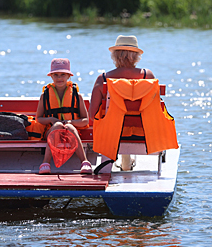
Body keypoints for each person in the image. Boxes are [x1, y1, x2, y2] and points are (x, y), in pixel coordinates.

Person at [89, 35, 155, 171]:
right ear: (136, 56)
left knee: (111, 120)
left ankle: (121, 162)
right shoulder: (147, 76)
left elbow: (92, 115)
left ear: (115, 55)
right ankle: (127, 162)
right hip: (143, 131)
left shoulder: (103, 79)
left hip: (110, 133)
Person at [36, 58, 92, 175]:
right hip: (52, 131)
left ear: (68, 76)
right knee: (57, 125)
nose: (59, 78)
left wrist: (71, 122)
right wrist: (51, 120)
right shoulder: (44, 96)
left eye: (63, 74)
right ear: (51, 76)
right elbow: (39, 118)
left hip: (71, 132)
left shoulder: (77, 96)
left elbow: (85, 120)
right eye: (56, 75)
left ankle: (85, 162)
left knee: (70, 128)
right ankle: (45, 163)